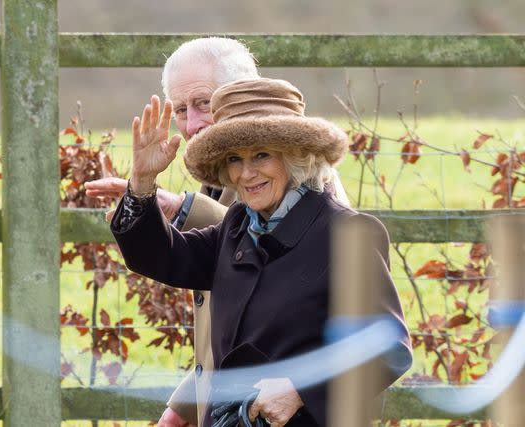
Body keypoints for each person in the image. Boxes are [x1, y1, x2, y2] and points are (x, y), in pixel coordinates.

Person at [109, 78, 412, 427]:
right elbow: (164, 257)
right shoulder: (237, 225)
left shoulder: (348, 233)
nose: (247, 173)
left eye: (262, 155)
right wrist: (142, 183)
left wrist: (299, 389)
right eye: (235, 159)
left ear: (296, 156)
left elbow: (389, 350)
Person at [86, 38, 349, 427]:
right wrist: (140, 185)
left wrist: (298, 388)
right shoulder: (241, 212)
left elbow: (377, 345)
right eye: (179, 109)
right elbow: (184, 270)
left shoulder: (330, 215)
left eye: (203, 104)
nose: (192, 124)